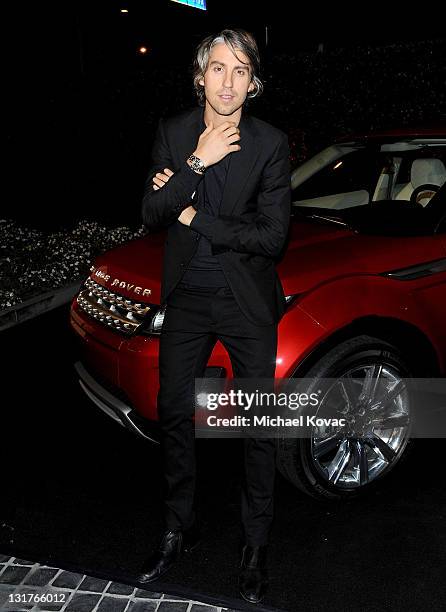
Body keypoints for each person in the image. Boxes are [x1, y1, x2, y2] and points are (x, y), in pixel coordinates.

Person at [137, 28, 291, 604]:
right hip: (187, 299)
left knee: (258, 424)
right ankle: (180, 527)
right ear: (201, 75)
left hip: (247, 301)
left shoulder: (270, 143)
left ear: (253, 84)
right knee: (174, 411)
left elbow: (272, 237)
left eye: (242, 72)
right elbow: (153, 213)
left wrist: (195, 217)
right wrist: (195, 164)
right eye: (219, 69)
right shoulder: (175, 134)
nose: (229, 83)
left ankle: (255, 543)